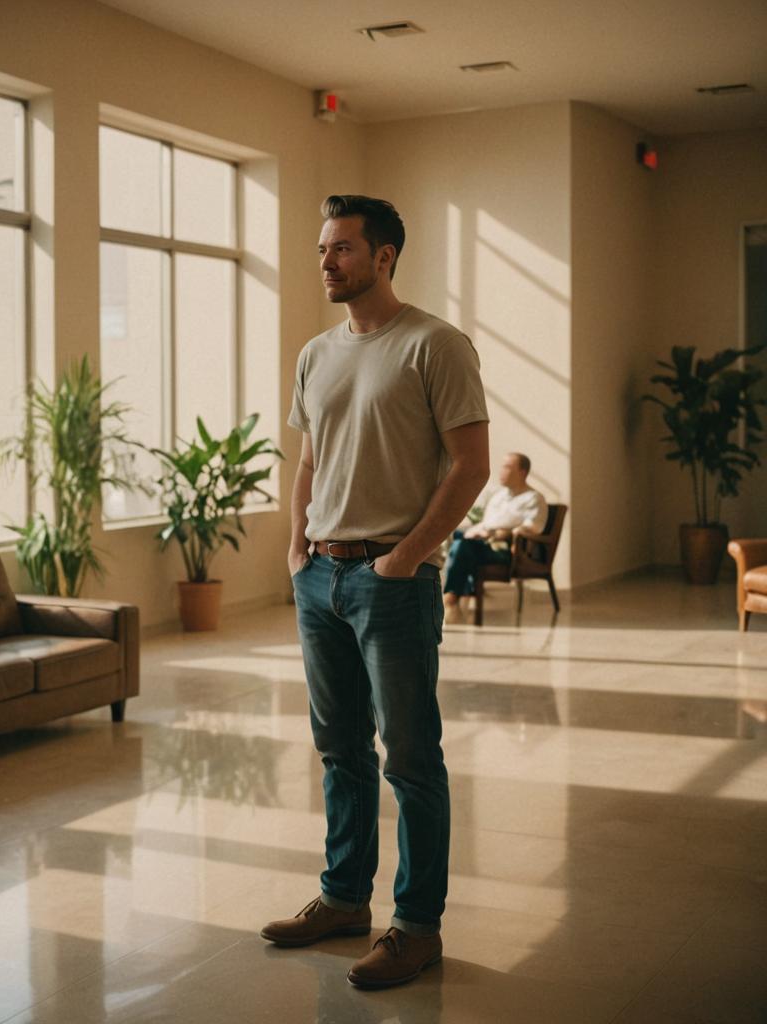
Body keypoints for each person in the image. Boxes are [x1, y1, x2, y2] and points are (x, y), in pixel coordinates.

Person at [260, 195, 490, 989]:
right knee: (340, 751)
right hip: (319, 576)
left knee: (412, 759)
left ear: (384, 256)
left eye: (343, 250)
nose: (326, 262)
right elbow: (308, 460)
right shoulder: (315, 353)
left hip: (392, 582)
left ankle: (416, 927)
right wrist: (297, 548)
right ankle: (342, 898)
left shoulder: (435, 345)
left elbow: (471, 466)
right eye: (323, 249)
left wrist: (407, 559)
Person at [442, 453, 547, 621]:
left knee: (463, 546)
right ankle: (456, 600)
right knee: (457, 537)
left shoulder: (533, 498)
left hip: (505, 549)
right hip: (481, 542)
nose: (501, 472)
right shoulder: (498, 496)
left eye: (507, 468)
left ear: (522, 472)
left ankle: (451, 599)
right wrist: (475, 532)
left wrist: (501, 533)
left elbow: (533, 527)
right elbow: (485, 523)